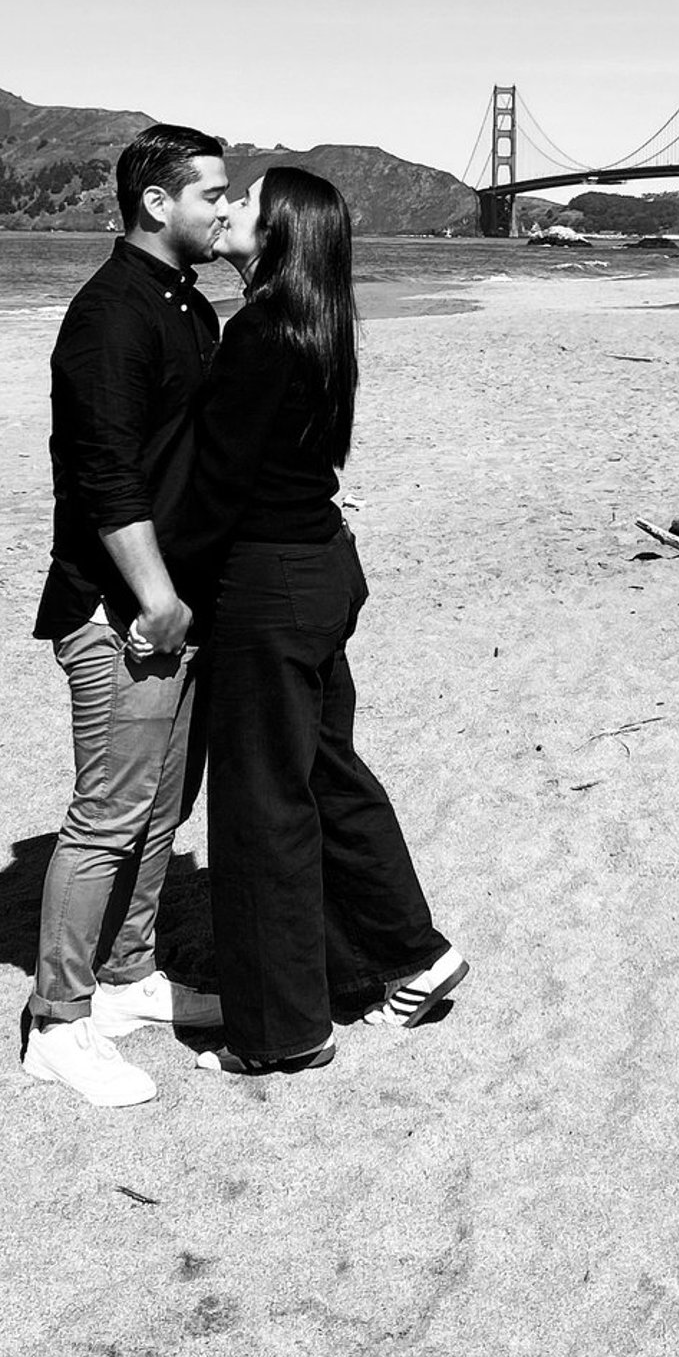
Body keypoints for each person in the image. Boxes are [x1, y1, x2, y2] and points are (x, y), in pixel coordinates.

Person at [171, 165, 466, 1077]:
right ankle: (412, 950)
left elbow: (217, 488)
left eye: (246, 204)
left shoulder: (260, 333)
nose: (229, 211)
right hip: (323, 569)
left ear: (280, 234)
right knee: (326, 772)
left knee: (264, 805)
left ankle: (282, 1028)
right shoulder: (321, 326)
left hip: (269, 584)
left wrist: (167, 591)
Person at [22, 123, 230, 1107]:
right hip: (120, 611)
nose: (226, 209)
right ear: (158, 203)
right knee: (107, 818)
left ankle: (127, 976)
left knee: (158, 809)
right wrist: (152, 598)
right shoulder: (111, 315)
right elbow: (103, 475)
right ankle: (56, 1023)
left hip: (174, 609)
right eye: (213, 196)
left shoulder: (188, 307)